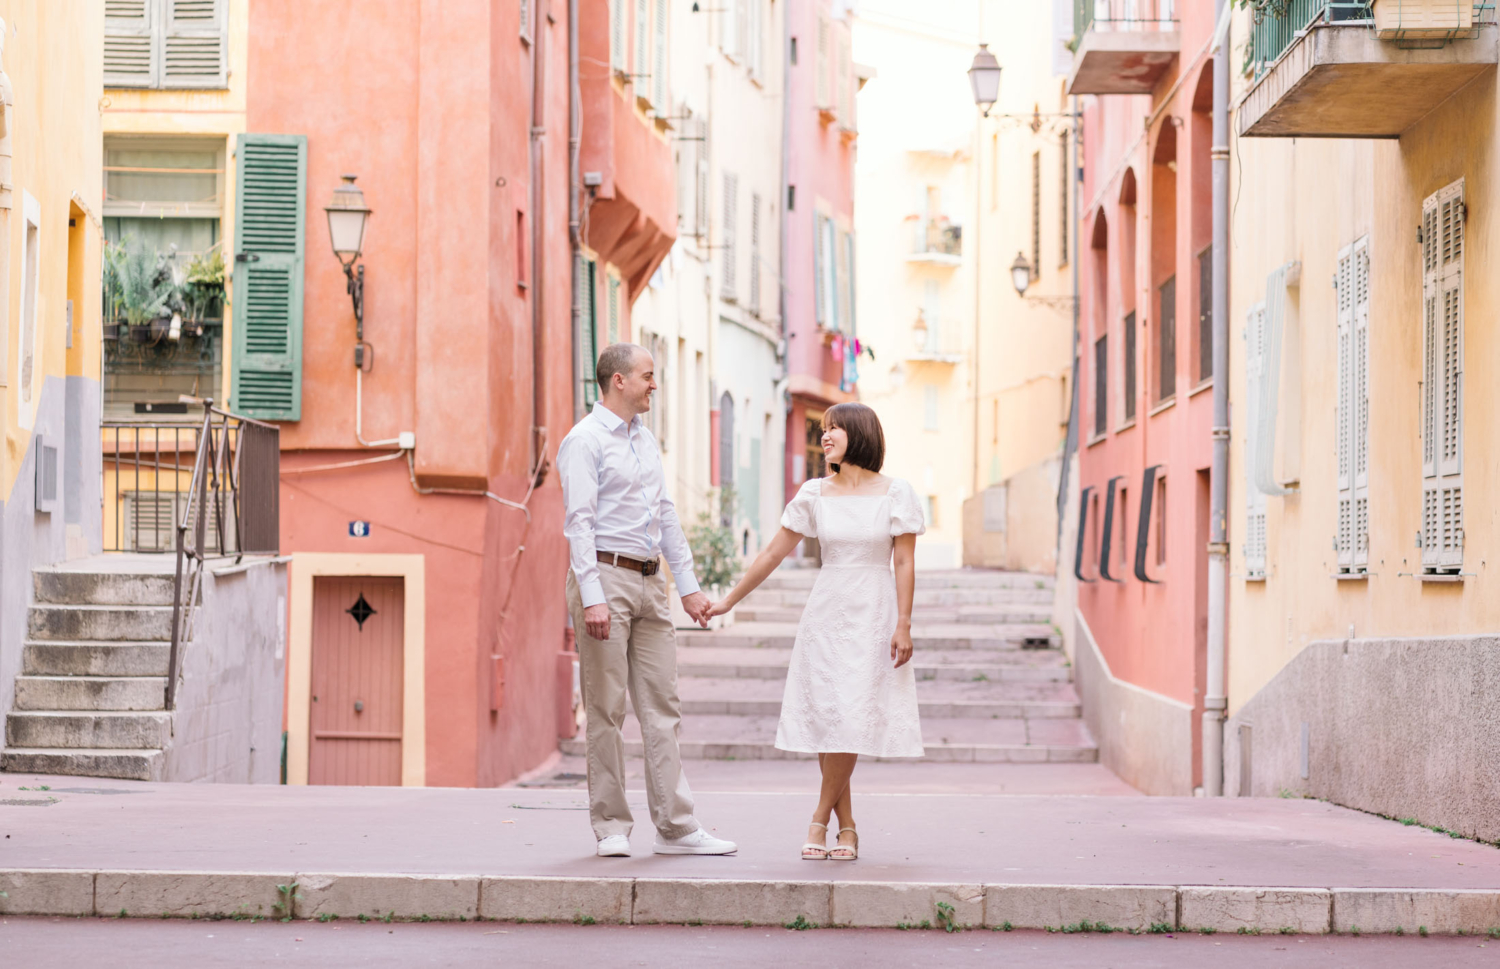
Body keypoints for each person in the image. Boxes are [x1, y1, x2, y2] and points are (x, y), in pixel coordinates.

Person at [706, 403, 924, 860]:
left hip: (873, 611)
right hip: (826, 613)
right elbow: (771, 553)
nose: (825, 436)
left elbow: (903, 560)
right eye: (823, 429)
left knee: (849, 712)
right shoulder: (814, 493)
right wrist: (729, 599)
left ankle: (819, 820)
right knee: (830, 714)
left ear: (860, 433)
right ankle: (847, 828)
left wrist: (903, 623)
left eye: (835, 428)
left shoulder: (896, 492)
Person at [557, 343, 738, 858]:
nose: (654, 384)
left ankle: (676, 828)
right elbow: (579, 525)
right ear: (619, 381)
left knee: (662, 707)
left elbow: (665, 514)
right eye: (648, 376)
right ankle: (611, 827)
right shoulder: (584, 441)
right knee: (606, 710)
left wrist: (690, 587)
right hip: (606, 581)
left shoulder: (645, 440)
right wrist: (592, 598)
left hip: (649, 582)